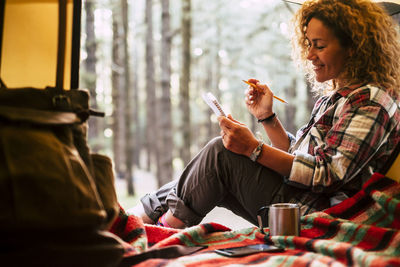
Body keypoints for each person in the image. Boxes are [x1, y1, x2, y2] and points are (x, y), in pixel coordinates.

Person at [129, 0, 400, 229]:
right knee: (217, 160)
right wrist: (267, 118)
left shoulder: (371, 100)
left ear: (354, 47)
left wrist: (254, 149)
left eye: (319, 45)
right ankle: (139, 218)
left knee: (221, 155)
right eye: (307, 44)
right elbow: (298, 157)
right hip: (300, 199)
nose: (308, 55)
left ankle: (160, 229)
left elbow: (327, 175)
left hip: (318, 214)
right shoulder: (336, 98)